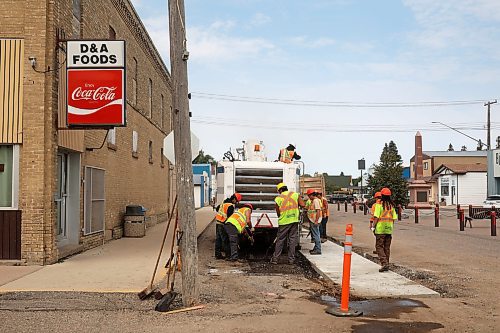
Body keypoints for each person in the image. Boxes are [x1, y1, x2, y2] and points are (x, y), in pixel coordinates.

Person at [270, 182, 305, 264]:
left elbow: (278, 212)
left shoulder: (278, 198)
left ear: (281, 190)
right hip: (294, 221)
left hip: (284, 222)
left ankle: (275, 259)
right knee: (292, 240)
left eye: (278, 191)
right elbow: (302, 204)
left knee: (280, 240)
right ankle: (291, 260)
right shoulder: (295, 195)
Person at [373, 187, 398, 272]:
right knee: (386, 247)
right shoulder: (391, 205)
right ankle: (386, 263)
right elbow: (394, 218)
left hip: (380, 229)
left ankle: (384, 263)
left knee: (379, 246)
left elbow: (376, 217)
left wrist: (373, 226)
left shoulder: (379, 204)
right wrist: (390, 227)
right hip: (389, 229)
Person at [214, 193, 241, 259]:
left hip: (218, 222)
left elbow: (217, 209)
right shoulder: (230, 206)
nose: (236, 203)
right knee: (225, 240)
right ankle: (228, 256)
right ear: (234, 199)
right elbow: (230, 218)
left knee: (218, 240)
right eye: (236, 201)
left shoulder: (224, 202)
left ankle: (217, 255)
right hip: (223, 224)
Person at [306, 189, 322, 255]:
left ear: (312, 195)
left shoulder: (315, 201)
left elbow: (318, 211)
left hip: (315, 220)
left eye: (309, 196)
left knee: (316, 235)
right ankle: (316, 248)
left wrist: (316, 220)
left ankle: (318, 249)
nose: (308, 197)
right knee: (315, 235)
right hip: (313, 220)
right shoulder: (313, 201)